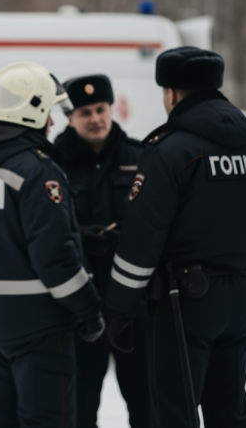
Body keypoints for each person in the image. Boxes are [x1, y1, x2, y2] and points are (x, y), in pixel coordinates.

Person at [103, 47, 246, 428]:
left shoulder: (169, 151)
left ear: (171, 93)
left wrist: (119, 306)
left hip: (181, 303)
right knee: (229, 409)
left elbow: (142, 240)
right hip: (239, 297)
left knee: (174, 412)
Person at [0, 61, 105, 428]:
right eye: (49, 112)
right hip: (39, 327)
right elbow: (55, 259)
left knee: (1, 419)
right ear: (31, 110)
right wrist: (88, 310)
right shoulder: (37, 170)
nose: (53, 123)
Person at [53, 75, 148, 428]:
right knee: (80, 406)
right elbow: (45, 229)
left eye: (101, 109)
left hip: (133, 306)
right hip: (81, 308)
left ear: (111, 109)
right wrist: (80, 237)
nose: (95, 118)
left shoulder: (139, 156)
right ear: (70, 117)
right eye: (85, 112)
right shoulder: (53, 163)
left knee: (145, 402)